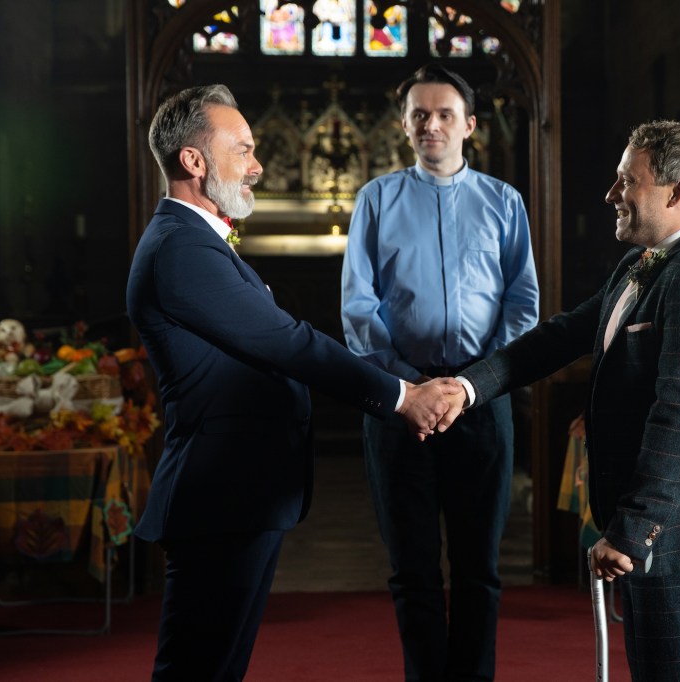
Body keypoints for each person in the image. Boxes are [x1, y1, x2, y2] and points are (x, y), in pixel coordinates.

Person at [127, 83, 462, 681]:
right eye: (243, 150)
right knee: (197, 669)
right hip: (219, 494)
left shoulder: (197, 242)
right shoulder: (180, 249)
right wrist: (403, 397)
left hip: (243, 493)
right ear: (194, 161)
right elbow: (288, 342)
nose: (257, 166)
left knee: (219, 667)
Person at [440, 120, 680, 682]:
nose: (611, 194)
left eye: (627, 180)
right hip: (655, 528)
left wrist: (632, 530)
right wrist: (465, 388)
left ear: (677, 190)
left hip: (679, 531)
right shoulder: (642, 263)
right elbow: (558, 337)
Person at [340, 64, 539, 682]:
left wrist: (471, 384)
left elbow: (523, 304)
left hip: (481, 400)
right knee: (413, 569)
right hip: (400, 404)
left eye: (444, 114)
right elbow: (358, 308)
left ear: (469, 125)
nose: (432, 124)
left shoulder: (503, 201)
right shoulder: (376, 200)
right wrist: (412, 387)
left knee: (480, 568)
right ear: (404, 126)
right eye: (420, 115)